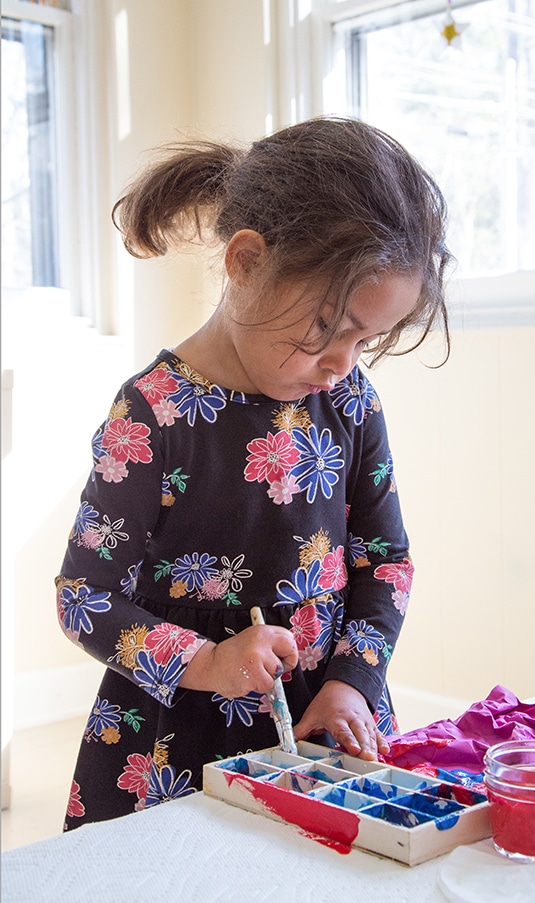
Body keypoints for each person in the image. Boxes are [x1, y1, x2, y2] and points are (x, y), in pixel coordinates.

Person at [56, 116, 452, 829]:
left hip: (320, 724)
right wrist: (209, 660)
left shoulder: (349, 401)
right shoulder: (153, 416)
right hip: (176, 747)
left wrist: (354, 684)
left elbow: (386, 561)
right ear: (245, 262)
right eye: (327, 330)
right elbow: (84, 598)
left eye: (368, 339)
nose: (342, 362)